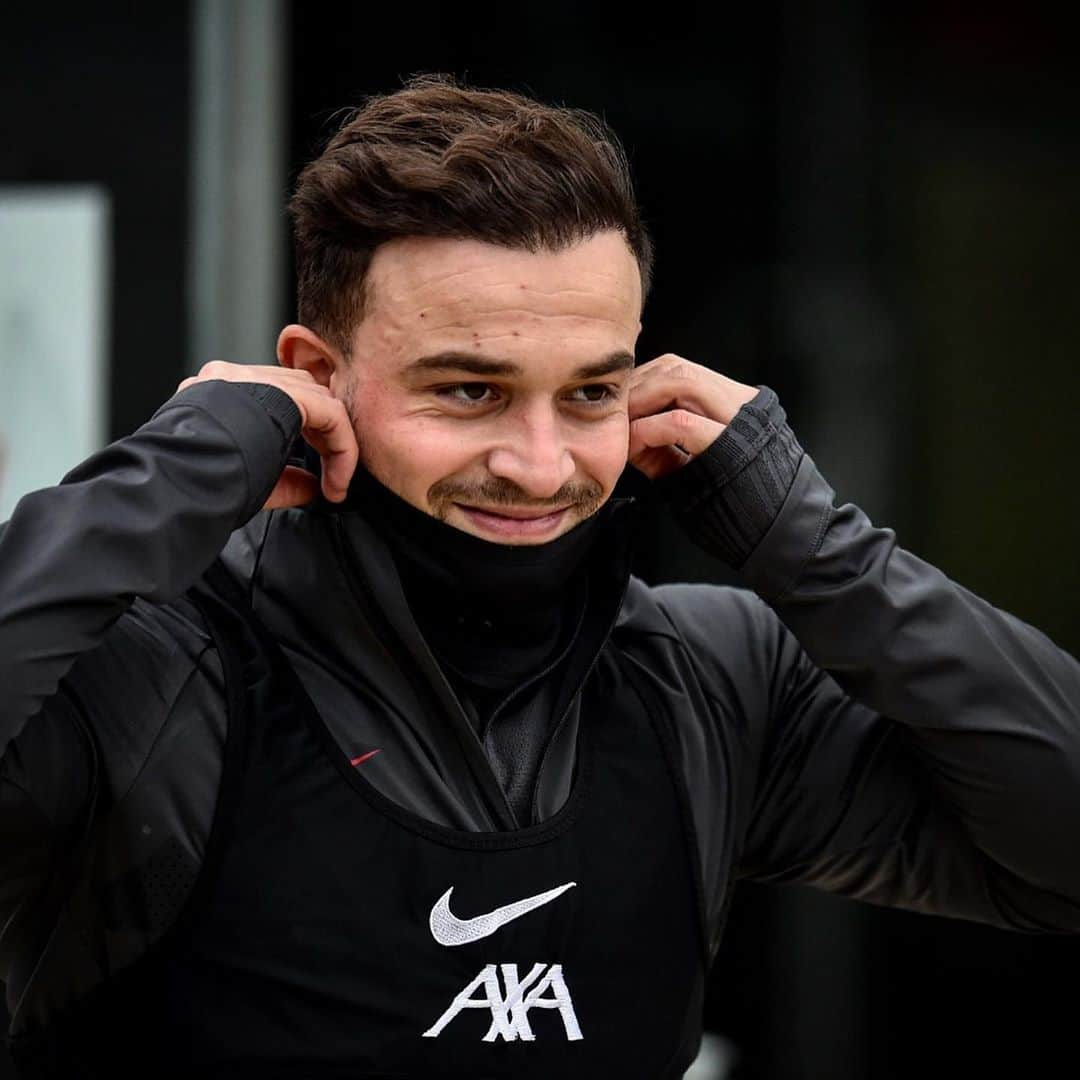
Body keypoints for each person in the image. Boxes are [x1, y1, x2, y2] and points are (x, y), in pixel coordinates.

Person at [1, 72, 1078, 1078]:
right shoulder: (158, 678)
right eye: (470, 391)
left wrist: (818, 545)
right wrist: (171, 475)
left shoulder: (705, 678)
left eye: (591, 394)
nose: (539, 464)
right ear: (316, 380)